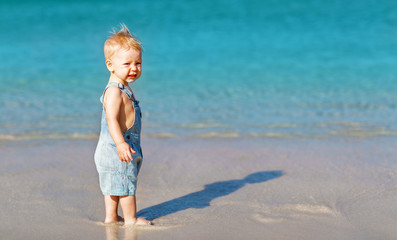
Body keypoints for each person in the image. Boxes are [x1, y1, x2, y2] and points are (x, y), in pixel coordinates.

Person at [94, 24, 151, 225]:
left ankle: (111, 217)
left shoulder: (122, 88)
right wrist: (120, 143)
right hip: (117, 146)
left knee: (113, 184)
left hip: (115, 147)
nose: (134, 68)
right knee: (126, 183)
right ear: (110, 65)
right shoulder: (114, 92)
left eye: (138, 63)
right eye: (127, 64)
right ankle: (131, 219)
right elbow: (111, 119)